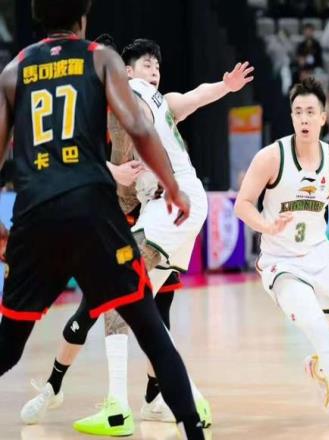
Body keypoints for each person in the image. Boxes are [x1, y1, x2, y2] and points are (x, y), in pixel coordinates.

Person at [19, 36, 253, 436]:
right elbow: (196, 97)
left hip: (168, 205)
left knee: (118, 297)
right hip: (176, 207)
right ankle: (186, 399)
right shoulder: (156, 102)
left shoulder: (131, 96)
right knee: (141, 312)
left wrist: (112, 171)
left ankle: (117, 409)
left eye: (157, 66)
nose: (155, 71)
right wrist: (224, 87)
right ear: (128, 69)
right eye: (148, 64)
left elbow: (106, 151)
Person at [0, 1, 206, 439]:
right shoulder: (100, 58)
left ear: (36, 16)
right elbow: (140, 128)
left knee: (8, 347)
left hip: (35, 214)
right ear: (84, 17)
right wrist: (172, 186)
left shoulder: (13, 71)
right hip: (91, 210)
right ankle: (191, 428)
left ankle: (82, 394)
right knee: (151, 330)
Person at [234, 77, 329, 435]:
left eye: (310, 112)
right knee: (317, 327)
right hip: (281, 263)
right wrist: (266, 226)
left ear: (323, 117)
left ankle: (319, 368)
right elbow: (242, 204)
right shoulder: (271, 157)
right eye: (298, 111)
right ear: (292, 117)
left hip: (320, 258)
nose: (304, 118)